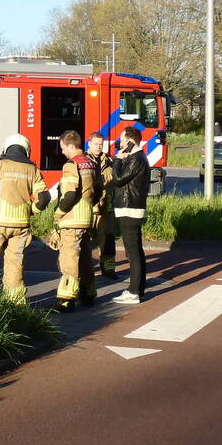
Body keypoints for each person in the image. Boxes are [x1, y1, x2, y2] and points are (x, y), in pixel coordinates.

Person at [0, 134, 51, 305]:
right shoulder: (32, 169)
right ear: (26, 150)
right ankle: (16, 302)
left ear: (6, 148)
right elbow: (44, 198)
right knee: (15, 262)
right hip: (20, 226)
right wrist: (32, 210)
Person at [52, 130, 103, 312]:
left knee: (69, 259)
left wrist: (58, 213)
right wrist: (89, 205)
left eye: (63, 148)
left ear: (71, 146)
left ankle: (66, 299)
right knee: (85, 260)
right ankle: (88, 294)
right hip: (86, 218)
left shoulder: (71, 165)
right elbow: (98, 189)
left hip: (72, 219)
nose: (63, 152)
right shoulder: (91, 162)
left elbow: (70, 194)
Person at [112, 126, 150, 304]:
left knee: (132, 251)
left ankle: (133, 291)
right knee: (136, 250)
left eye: (122, 139)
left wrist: (117, 160)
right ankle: (138, 288)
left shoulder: (136, 159)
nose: (120, 143)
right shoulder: (138, 158)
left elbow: (119, 179)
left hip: (129, 207)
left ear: (130, 141)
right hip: (133, 207)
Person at [87, 132, 118, 280]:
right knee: (86, 241)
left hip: (106, 208)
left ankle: (109, 269)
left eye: (101, 144)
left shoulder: (109, 161)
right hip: (89, 209)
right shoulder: (83, 161)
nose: (99, 147)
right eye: (96, 144)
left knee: (108, 241)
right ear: (89, 144)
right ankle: (84, 269)